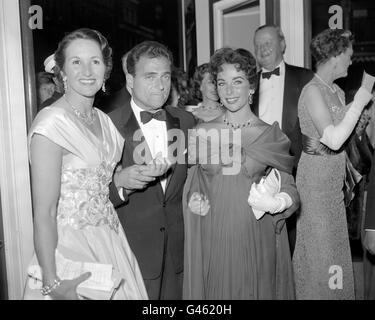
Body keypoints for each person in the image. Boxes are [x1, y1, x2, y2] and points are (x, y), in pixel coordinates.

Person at [24, 28, 148, 300]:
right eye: (76, 62)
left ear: (106, 69)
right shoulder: (51, 123)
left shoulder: (103, 120)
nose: (87, 70)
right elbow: (44, 211)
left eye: (95, 61)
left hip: (110, 239)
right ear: (63, 71)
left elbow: (96, 182)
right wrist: (51, 281)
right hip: (69, 249)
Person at [183, 47, 299, 300]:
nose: (229, 91)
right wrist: (195, 204)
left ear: (252, 87)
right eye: (222, 83)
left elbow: (290, 189)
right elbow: (193, 190)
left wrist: (278, 201)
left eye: (238, 82)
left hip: (256, 237)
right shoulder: (202, 132)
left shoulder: (271, 135)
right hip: (214, 238)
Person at [108, 41, 196, 300]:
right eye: (150, 76)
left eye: (165, 76)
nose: (161, 85)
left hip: (180, 251)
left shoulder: (186, 120)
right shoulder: (110, 124)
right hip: (133, 254)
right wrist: (121, 183)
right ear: (130, 81)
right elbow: (90, 195)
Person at [292, 28, 373, 300]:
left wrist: (357, 123)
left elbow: (344, 133)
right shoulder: (312, 91)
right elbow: (334, 139)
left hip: (333, 186)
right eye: (348, 55)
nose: (351, 62)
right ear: (336, 55)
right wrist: (360, 100)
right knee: (321, 254)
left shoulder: (335, 90)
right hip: (314, 185)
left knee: (336, 251)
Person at [252, 25, 314, 256]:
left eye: (267, 43)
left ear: (283, 44)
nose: (262, 49)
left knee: (294, 243)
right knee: (260, 244)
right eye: (258, 45)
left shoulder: (306, 78)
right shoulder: (246, 84)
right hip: (255, 173)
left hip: (295, 171)